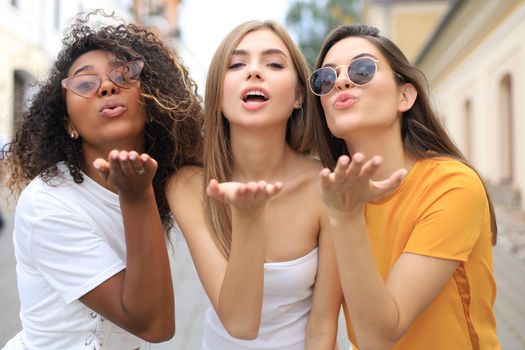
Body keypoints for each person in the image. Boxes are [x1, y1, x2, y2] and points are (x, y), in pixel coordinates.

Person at [2, 11, 203, 350]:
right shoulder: (48, 203)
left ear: (152, 102)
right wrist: (137, 198)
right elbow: (154, 325)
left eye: (123, 76)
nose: (108, 86)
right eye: (84, 83)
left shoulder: (163, 180)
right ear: (68, 123)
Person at [310, 24, 501, 349]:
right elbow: (322, 323)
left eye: (362, 69)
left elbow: (380, 335)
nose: (340, 81)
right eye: (326, 79)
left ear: (404, 95)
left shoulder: (451, 185)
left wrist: (346, 218)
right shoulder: (333, 194)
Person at [167, 20, 342, 350]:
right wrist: (249, 217)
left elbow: (324, 325)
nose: (254, 72)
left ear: (299, 97)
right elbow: (240, 323)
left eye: (274, 63)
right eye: (236, 64)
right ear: (217, 94)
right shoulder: (188, 185)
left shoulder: (326, 185)